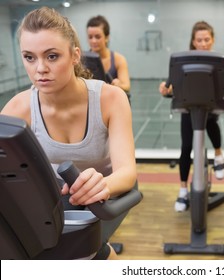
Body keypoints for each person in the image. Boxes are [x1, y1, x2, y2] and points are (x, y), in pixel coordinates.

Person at [1, 7, 137, 259]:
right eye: (29, 57)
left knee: (84, 251)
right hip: (55, 196)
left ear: (75, 55)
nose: (40, 68)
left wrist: (102, 186)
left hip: (107, 192)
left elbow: (127, 173)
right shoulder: (18, 108)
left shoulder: (110, 98)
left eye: (52, 56)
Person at [159, 21, 224, 212]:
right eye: (199, 40)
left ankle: (219, 156)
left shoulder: (221, 59)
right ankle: (182, 190)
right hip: (189, 108)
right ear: (193, 42)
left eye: (207, 39)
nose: (203, 44)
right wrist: (164, 88)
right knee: (186, 147)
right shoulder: (184, 59)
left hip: (210, 106)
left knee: (211, 120)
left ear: (212, 40)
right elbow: (171, 84)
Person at [86, 15, 131, 95]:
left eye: (97, 37)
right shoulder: (82, 60)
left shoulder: (119, 59)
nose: (93, 41)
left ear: (107, 37)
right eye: (90, 37)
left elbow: (126, 86)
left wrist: (118, 84)